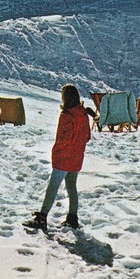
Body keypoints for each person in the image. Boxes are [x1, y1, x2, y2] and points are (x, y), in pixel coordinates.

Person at [27, 84, 92, 233]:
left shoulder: (66, 116)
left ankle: (42, 217)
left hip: (63, 157)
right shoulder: (82, 114)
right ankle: (72, 217)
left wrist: (57, 151)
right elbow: (87, 136)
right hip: (77, 157)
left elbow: (63, 139)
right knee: (71, 187)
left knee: (53, 187)